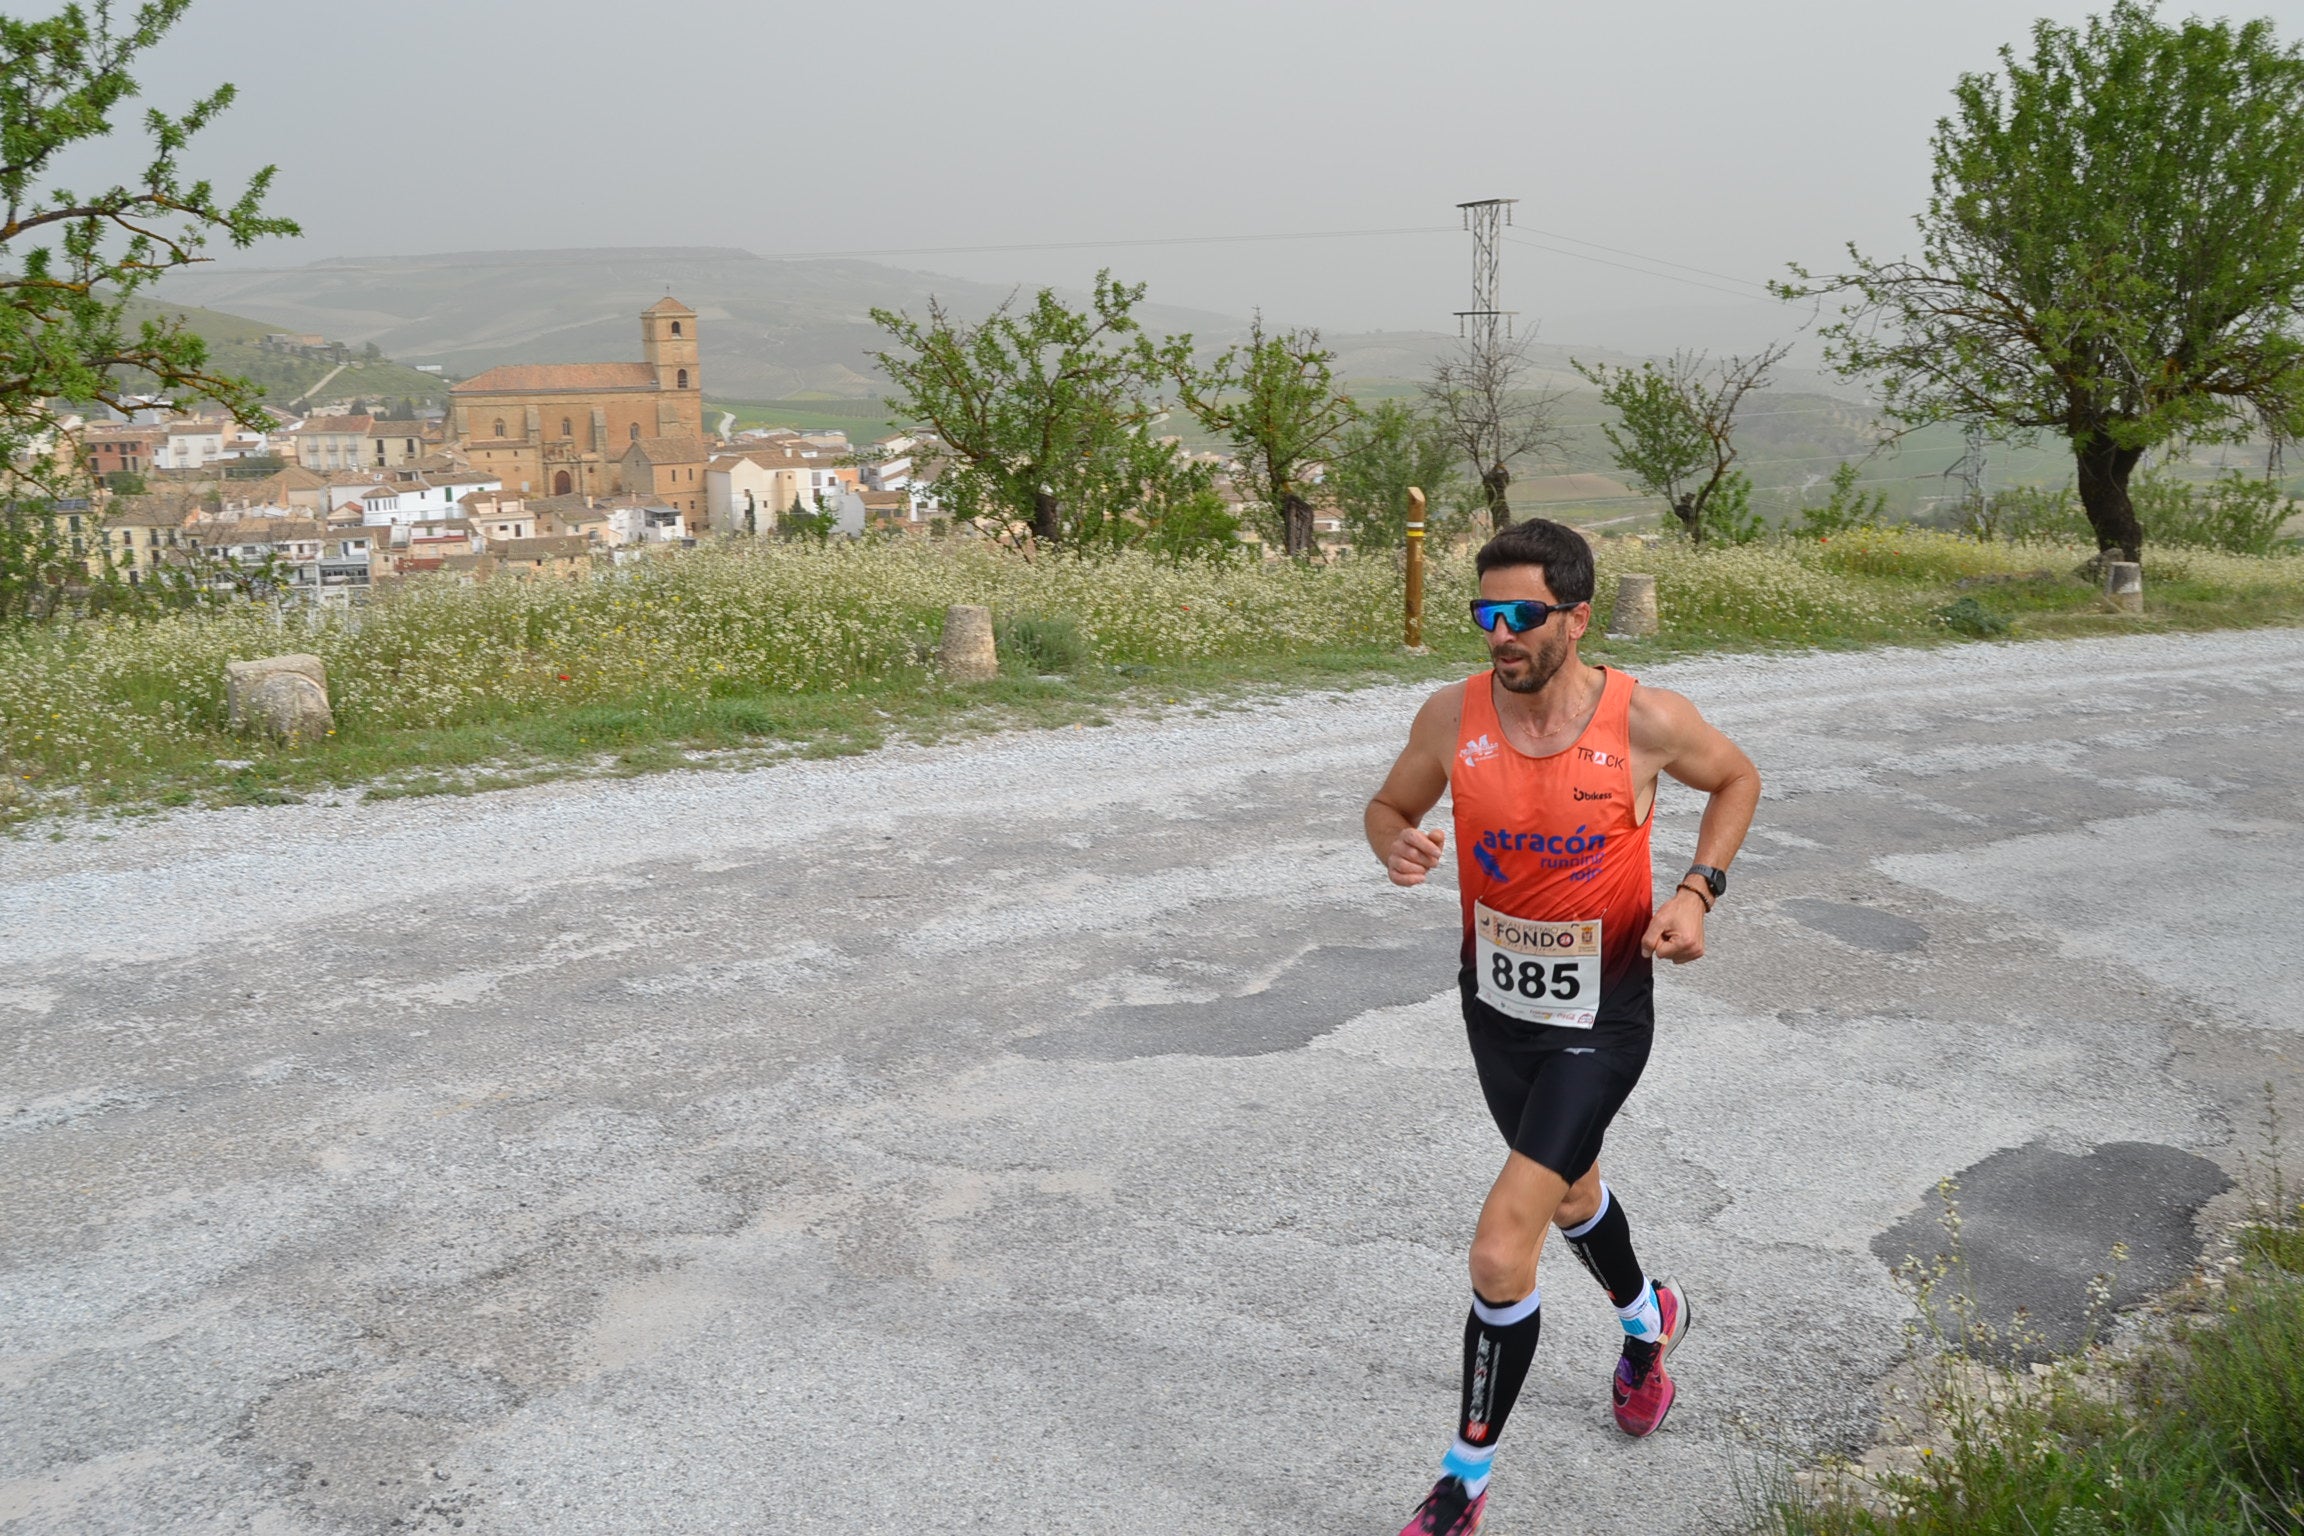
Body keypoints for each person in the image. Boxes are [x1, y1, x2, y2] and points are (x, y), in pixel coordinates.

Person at [1363, 519, 1761, 1535]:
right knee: (1573, 1188)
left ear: (1576, 620)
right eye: (1485, 614)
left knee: (1503, 1250)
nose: (1500, 634)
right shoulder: (1453, 716)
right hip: (1495, 1009)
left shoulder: (1644, 721)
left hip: (1605, 1010)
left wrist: (1698, 891)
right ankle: (1647, 1320)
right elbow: (1386, 805)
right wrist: (1398, 845)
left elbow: (1736, 778)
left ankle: (1464, 1483)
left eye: (1522, 616)